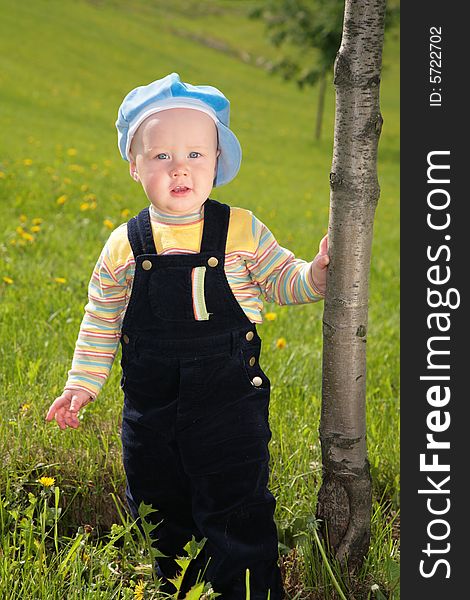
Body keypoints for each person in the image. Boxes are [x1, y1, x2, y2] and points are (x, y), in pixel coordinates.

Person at [45, 73, 329, 599]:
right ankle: (182, 587)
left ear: (217, 162)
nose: (180, 167)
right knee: (160, 506)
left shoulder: (241, 230)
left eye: (196, 154)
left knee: (236, 508)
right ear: (134, 166)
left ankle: (246, 591)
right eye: (161, 156)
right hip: (151, 412)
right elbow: (102, 318)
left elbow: (281, 279)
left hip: (228, 408)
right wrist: (82, 384)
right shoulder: (123, 246)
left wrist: (315, 275)